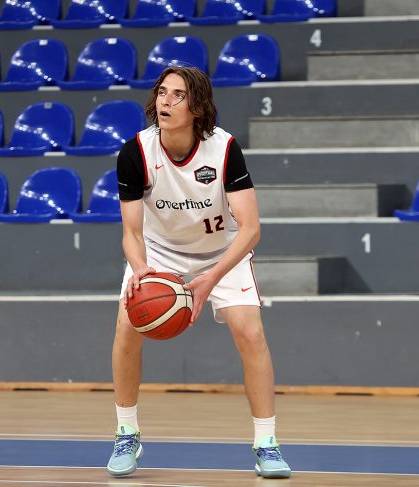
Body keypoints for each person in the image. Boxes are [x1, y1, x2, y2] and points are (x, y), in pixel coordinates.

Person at [106, 66, 291, 479]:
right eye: (162, 92)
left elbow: (251, 228)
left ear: (198, 108)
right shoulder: (135, 153)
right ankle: (126, 432)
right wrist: (141, 270)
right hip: (159, 253)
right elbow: (131, 233)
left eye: (178, 95)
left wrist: (212, 277)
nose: (165, 101)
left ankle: (267, 442)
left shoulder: (223, 149)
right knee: (126, 328)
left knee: (250, 332)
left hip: (221, 253)